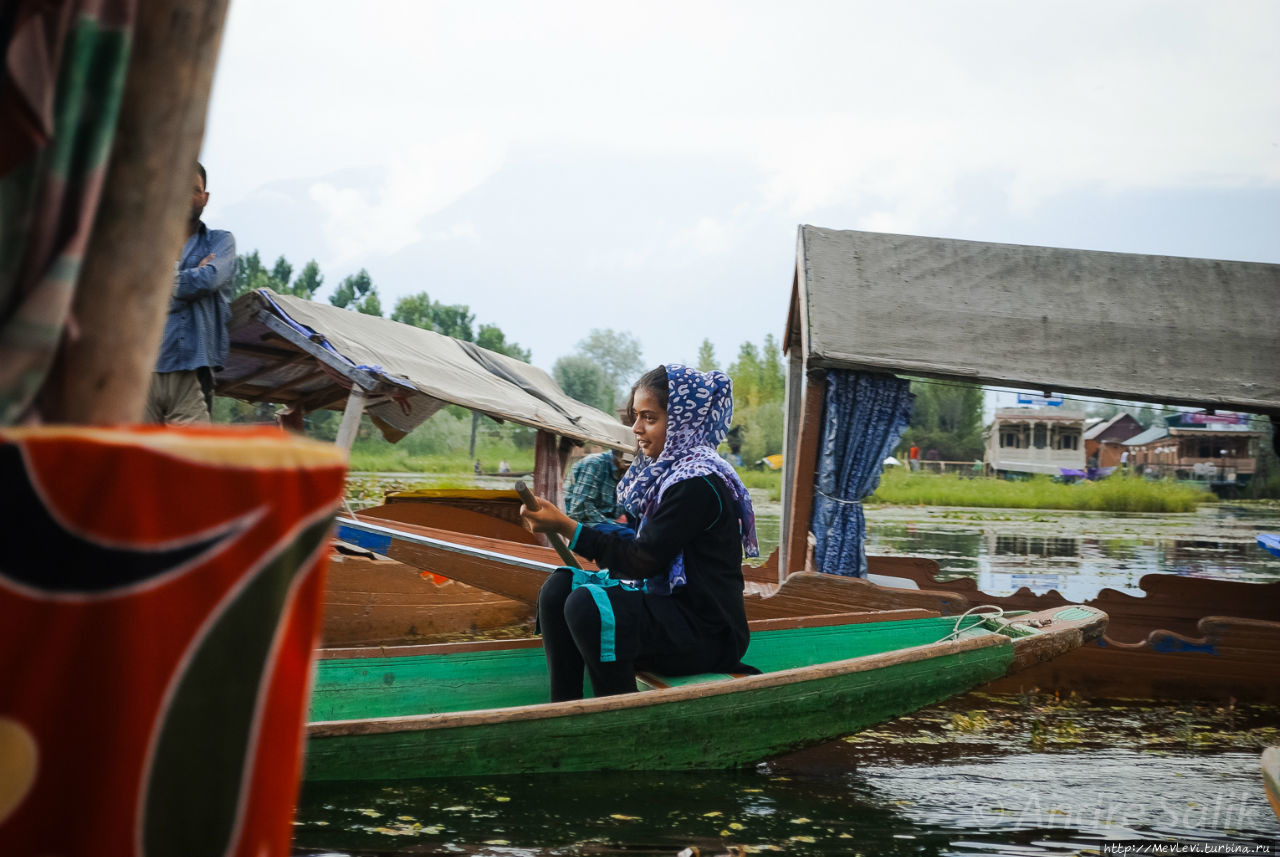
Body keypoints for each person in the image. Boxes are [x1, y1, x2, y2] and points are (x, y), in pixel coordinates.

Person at [520, 364, 759, 702]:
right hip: (670, 617)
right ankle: (565, 707)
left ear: (681, 421)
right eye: (635, 417)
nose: (636, 428)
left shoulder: (698, 484)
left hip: (707, 633)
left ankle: (619, 711)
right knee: (560, 587)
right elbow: (637, 549)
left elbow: (640, 561)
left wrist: (564, 525)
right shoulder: (667, 476)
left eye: (649, 418)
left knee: (588, 605)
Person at [145, 162, 236, 424]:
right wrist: (191, 278)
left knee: (194, 459)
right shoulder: (146, 245)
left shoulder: (221, 241)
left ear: (204, 198)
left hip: (193, 370)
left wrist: (163, 286)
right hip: (142, 370)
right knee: (138, 459)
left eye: (194, 189)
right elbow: (136, 294)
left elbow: (208, 281)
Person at [562, 448, 633, 525]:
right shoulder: (594, 463)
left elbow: (619, 511)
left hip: (604, 520)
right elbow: (580, 510)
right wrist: (611, 525)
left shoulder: (626, 474)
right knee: (626, 534)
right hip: (579, 522)